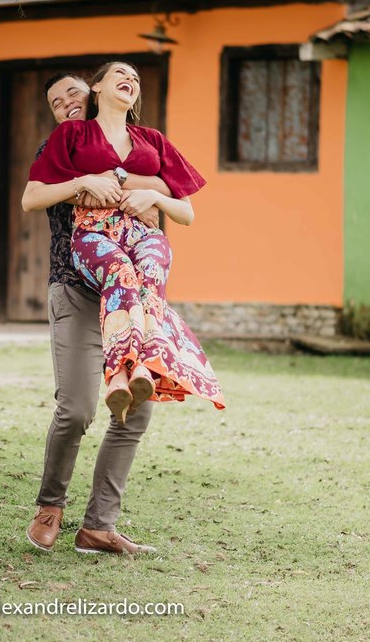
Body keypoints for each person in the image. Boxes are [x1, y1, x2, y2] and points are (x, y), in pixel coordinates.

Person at [23, 63, 226, 554]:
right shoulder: (67, 143)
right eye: (57, 102)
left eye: (74, 94)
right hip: (75, 288)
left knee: (135, 414)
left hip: (133, 295)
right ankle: (50, 504)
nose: (68, 104)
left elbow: (178, 203)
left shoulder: (140, 141)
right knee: (74, 411)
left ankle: (99, 526)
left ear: (91, 94)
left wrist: (144, 189)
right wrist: (85, 181)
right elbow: (34, 196)